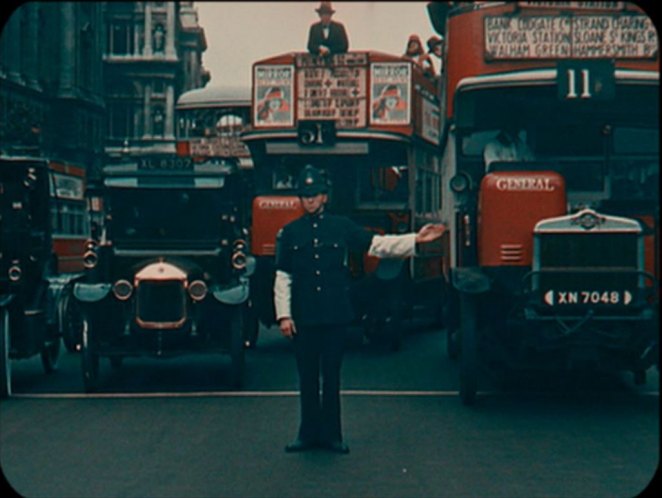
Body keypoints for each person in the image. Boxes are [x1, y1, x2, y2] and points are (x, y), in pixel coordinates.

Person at [274, 165, 445, 454]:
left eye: (314, 195)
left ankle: (332, 436)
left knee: (331, 377)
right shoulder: (290, 233)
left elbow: (377, 245)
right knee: (306, 377)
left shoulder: (341, 226)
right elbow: (283, 276)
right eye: (305, 196)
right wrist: (284, 315)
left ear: (325, 197)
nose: (310, 201)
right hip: (305, 317)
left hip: (334, 315)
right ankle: (307, 434)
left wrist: (415, 239)